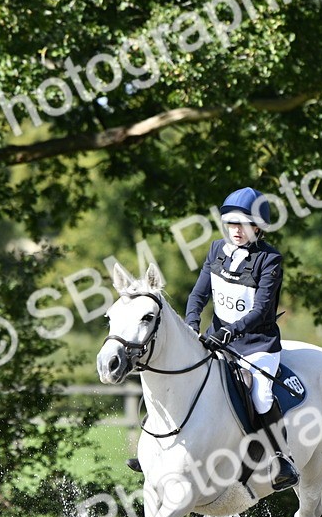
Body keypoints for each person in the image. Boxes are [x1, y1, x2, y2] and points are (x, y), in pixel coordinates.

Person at [124, 187, 300, 490]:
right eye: (232, 224)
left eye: (244, 225)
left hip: (257, 343)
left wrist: (229, 331)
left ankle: (282, 459)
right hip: (218, 339)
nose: (237, 231)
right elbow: (198, 294)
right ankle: (153, 452)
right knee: (177, 381)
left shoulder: (269, 260)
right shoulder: (217, 250)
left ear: (257, 227)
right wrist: (192, 323)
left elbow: (261, 310)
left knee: (260, 394)